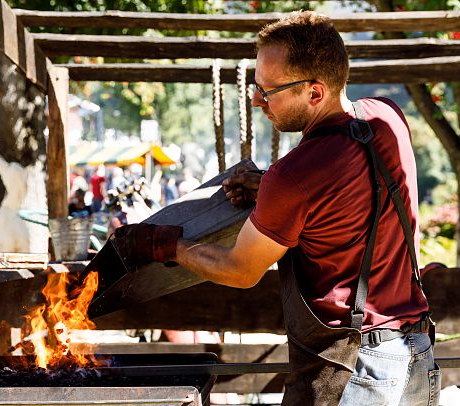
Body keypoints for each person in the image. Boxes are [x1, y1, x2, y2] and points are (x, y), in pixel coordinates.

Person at [98, 11, 439, 406]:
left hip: (358, 372)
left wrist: (163, 244)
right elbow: (357, 191)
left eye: (268, 90)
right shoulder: (388, 117)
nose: (257, 100)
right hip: (415, 352)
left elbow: (240, 269)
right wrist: (269, 192)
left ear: (315, 92)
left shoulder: (294, 175)